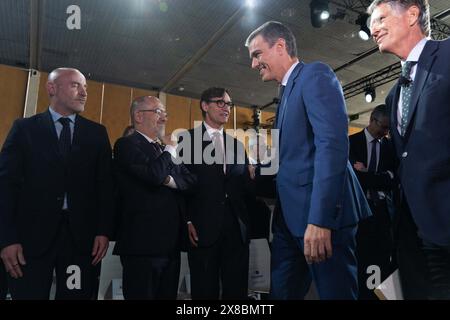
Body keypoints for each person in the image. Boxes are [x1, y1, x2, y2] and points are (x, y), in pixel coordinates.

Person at [246, 21, 371, 299]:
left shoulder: (314, 75)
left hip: (320, 219)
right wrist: (257, 170)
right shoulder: (286, 93)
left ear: (280, 46)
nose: (254, 64)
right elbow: (295, 157)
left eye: (257, 54)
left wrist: (320, 219)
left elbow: (332, 145)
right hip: (288, 223)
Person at [0, 68, 114, 299]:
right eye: (75, 85)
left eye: (85, 88)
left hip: (80, 243)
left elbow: (105, 187)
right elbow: (6, 187)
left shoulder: (97, 134)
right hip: (29, 242)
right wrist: (7, 239)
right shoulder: (24, 129)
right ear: (52, 88)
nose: (83, 93)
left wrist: (103, 231)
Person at [369, 0, 450, 299]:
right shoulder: (394, 94)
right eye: (370, 23)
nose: (373, 28)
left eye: (380, 18)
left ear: (413, 14)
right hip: (410, 236)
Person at [113, 96, 196, 299]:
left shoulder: (163, 150)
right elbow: (153, 175)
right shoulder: (126, 145)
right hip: (142, 245)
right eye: (158, 112)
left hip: (170, 246)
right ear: (139, 116)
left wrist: (167, 180)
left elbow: (190, 181)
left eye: (164, 113)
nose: (164, 118)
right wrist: (168, 150)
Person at [181, 87, 253, 299]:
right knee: (204, 291)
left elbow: (245, 187)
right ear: (205, 105)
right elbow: (180, 188)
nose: (226, 108)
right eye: (220, 102)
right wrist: (187, 221)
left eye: (229, 104)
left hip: (236, 230)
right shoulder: (187, 141)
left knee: (236, 292)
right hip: (202, 229)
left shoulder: (238, 146)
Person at [349, 105, 396, 299]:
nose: (385, 132)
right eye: (383, 127)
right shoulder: (351, 143)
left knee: (381, 262)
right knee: (360, 262)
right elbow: (353, 179)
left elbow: (393, 181)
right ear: (372, 120)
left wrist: (367, 173)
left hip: (383, 214)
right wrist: (379, 177)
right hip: (359, 213)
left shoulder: (390, 148)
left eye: (387, 129)